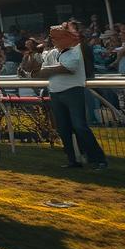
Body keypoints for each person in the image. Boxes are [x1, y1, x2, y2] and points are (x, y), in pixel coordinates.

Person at [38, 22, 108, 169]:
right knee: (63, 129)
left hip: (73, 91)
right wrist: (52, 69)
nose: (53, 40)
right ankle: (73, 159)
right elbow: (43, 69)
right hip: (55, 92)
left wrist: (49, 70)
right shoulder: (52, 52)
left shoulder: (76, 50)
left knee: (80, 126)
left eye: (57, 38)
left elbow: (68, 68)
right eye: (53, 38)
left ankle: (98, 159)